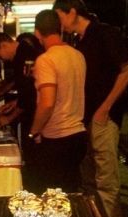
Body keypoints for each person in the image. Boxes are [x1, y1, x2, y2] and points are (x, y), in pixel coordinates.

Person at [53, 0, 128, 217]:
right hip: (84, 119)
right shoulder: (81, 40)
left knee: (106, 182)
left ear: (72, 12)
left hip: (102, 118)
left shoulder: (104, 33)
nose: (59, 24)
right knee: (88, 181)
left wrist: (105, 108)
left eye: (59, 17)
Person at [28, 10, 87, 194]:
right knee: (70, 194)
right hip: (78, 135)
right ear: (60, 28)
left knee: (51, 198)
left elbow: (47, 103)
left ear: (37, 33)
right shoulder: (78, 55)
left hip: (56, 139)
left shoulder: (45, 60)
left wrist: (34, 132)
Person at [0, 32, 44, 187]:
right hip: (32, 111)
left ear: (4, 45)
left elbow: (30, 95)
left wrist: (8, 118)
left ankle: (32, 189)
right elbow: (27, 90)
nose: (1, 60)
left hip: (35, 116)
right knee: (31, 155)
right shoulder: (21, 55)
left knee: (33, 157)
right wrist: (15, 103)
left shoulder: (25, 56)